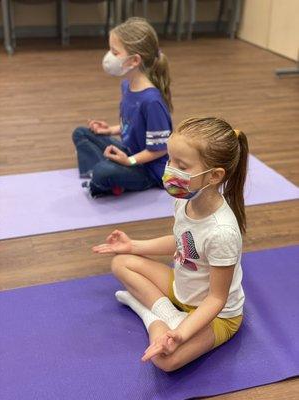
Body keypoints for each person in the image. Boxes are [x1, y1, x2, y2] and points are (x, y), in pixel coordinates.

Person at [93, 116, 249, 372]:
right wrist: (132, 246)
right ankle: (170, 315)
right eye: (170, 159)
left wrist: (181, 334)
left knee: (165, 360)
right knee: (121, 262)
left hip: (217, 315)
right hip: (182, 288)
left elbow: (216, 299)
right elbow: (181, 243)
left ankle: (149, 313)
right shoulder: (184, 199)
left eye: (181, 165)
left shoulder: (222, 232)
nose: (169, 169)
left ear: (214, 176)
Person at [72, 17, 173, 197]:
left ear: (134, 60)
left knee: (104, 172)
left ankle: (105, 177)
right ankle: (107, 176)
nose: (109, 56)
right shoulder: (127, 85)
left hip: (147, 169)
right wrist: (109, 130)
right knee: (80, 133)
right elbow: (133, 126)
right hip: (128, 152)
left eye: (114, 51)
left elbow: (161, 149)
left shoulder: (152, 101)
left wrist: (129, 161)